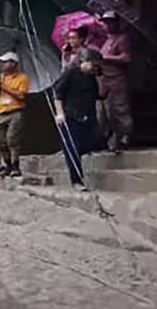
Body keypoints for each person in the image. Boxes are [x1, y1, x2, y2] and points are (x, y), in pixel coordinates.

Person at [54, 48, 106, 191]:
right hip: (71, 115)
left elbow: (100, 95)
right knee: (72, 149)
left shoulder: (91, 78)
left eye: (97, 66)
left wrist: (100, 77)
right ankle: (76, 180)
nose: (95, 69)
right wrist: (60, 114)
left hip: (88, 116)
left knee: (95, 143)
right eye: (94, 65)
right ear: (84, 61)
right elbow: (57, 93)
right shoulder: (71, 73)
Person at [0, 52, 29, 177]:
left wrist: (4, 87)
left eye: (6, 62)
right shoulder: (1, 77)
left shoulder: (22, 78)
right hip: (1, 111)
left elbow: (21, 95)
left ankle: (15, 166)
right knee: (0, 141)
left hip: (15, 111)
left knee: (12, 139)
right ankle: (6, 165)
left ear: (13, 63)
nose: (3, 65)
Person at [99, 11, 133, 153]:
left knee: (119, 109)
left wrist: (107, 58)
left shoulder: (122, 39)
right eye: (105, 22)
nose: (107, 25)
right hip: (104, 80)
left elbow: (126, 58)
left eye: (110, 22)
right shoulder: (106, 40)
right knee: (105, 112)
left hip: (116, 79)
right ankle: (108, 140)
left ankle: (125, 136)